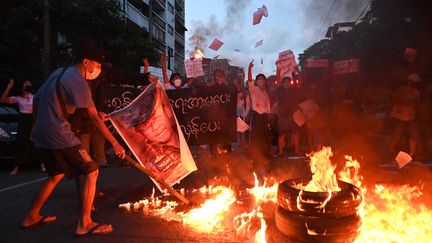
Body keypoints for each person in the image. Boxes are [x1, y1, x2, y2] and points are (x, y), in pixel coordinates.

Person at [21, 40, 125, 236]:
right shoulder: (78, 80)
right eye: (97, 65)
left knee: (55, 175)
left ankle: (32, 216)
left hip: (43, 132)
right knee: (91, 171)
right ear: (86, 62)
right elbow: (94, 116)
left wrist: (35, 126)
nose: (98, 70)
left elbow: (37, 99)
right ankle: (84, 223)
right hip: (59, 132)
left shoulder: (58, 73)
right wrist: (115, 143)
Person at [1, 78, 46, 175]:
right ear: (23, 86)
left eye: (29, 84)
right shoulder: (18, 98)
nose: (28, 85)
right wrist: (8, 88)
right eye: (26, 84)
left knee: (36, 141)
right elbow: (3, 100)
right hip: (24, 120)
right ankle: (16, 167)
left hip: (33, 119)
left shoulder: (35, 96)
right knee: (20, 143)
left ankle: (42, 164)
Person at [388, 73, 421, 158]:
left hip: (410, 115)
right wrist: (405, 101)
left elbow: (416, 103)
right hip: (399, 115)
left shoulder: (416, 92)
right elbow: (395, 99)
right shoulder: (401, 90)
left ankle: (412, 153)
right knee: (397, 133)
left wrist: (413, 102)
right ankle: (391, 150)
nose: (414, 85)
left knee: (413, 133)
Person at [247, 60, 272, 164]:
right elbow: (249, 80)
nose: (260, 81)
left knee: (265, 137)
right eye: (259, 79)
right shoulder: (253, 90)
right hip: (256, 116)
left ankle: (265, 156)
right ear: (256, 81)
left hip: (264, 117)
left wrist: (269, 117)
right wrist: (249, 68)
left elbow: (268, 107)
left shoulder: (266, 93)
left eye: (262, 79)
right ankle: (255, 157)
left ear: (265, 81)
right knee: (256, 138)